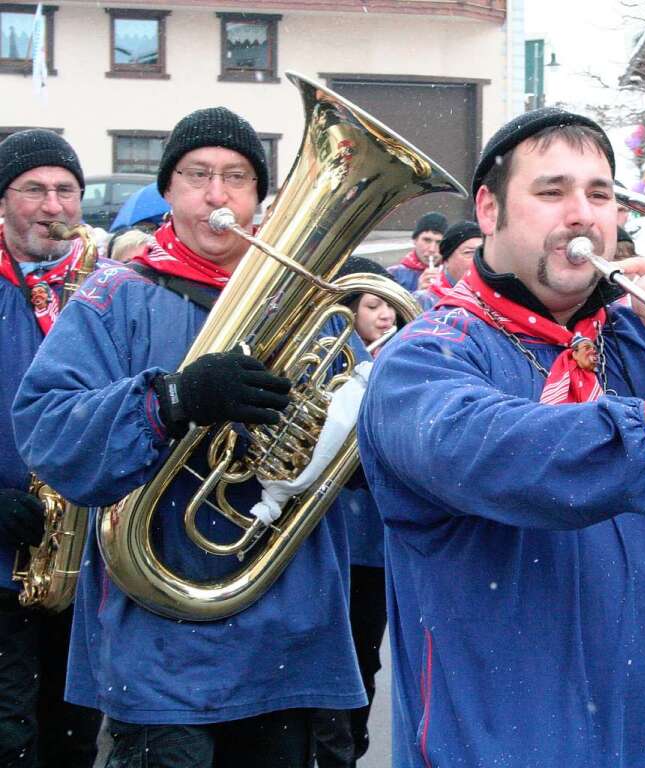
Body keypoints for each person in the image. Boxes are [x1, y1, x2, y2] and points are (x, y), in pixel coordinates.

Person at [357, 106, 645, 766]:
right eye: (552, 191)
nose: (582, 214)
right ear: (489, 210)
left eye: (599, 194)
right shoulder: (422, 358)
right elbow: (497, 452)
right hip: (510, 742)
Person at [12, 108, 366, 767]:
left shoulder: (314, 307)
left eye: (236, 177)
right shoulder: (116, 293)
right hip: (160, 640)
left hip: (286, 635)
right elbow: (48, 428)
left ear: (259, 197)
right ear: (168, 192)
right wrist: (174, 398)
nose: (216, 194)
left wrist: (353, 446)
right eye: (196, 175)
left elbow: (347, 450)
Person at [0, 129, 103, 768]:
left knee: (73, 739)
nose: (53, 206)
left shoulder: (102, 286)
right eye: (34, 189)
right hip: (0, 563)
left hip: (83, 562)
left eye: (66, 190)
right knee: (9, 740)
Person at [314, 256, 398, 767]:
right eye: (373, 304)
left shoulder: (401, 355)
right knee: (326, 657)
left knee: (363, 658)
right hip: (333, 532)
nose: (386, 314)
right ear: (347, 312)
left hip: (375, 545)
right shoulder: (327, 357)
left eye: (390, 303)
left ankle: (350, 745)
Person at [413, 220, 482, 310]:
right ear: (446, 260)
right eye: (469, 252)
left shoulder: (494, 296)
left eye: (482, 252)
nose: (478, 259)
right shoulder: (425, 300)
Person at [386, 211, 447, 293]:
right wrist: (419, 294)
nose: (432, 249)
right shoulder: (394, 274)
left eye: (439, 242)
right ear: (415, 240)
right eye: (427, 240)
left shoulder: (453, 273)